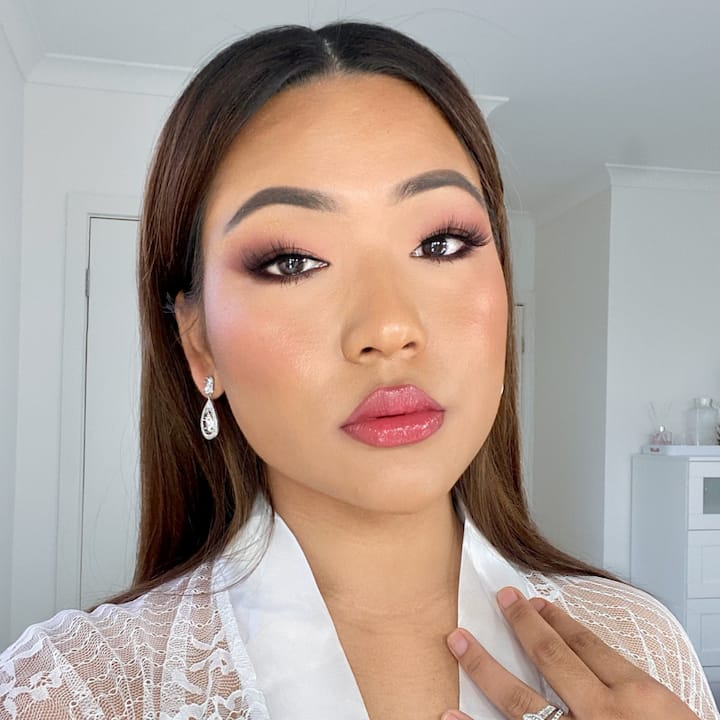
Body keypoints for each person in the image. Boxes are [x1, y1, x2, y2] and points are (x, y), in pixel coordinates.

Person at [0, 21, 717, 720]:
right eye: (292, 261)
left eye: (441, 244)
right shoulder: (70, 692)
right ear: (198, 344)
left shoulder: (643, 647)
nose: (389, 328)